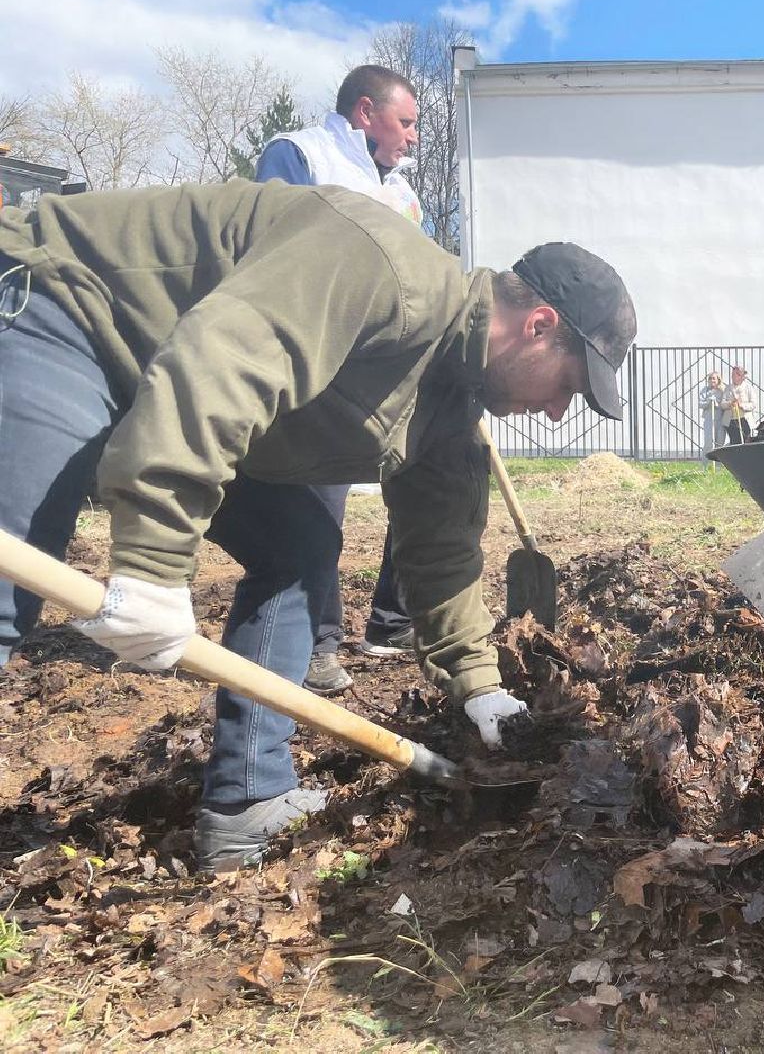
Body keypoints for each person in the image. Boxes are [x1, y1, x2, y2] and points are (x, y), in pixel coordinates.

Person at [0, 179, 637, 869]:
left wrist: (480, 685)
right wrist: (154, 561)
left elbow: (443, 552)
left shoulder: (452, 413)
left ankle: (247, 802)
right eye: (569, 386)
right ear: (539, 326)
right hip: (71, 311)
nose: (556, 414)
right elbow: (220, 363)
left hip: (168, 382)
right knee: (9, 582)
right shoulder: (379, 266)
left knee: (300, 548)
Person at [255, 64, 423, 695]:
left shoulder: (404, 192)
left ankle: (392, 620)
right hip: (321, 361)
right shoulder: (301, 154)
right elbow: (270, 249)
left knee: (420, 475)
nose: (411, 138)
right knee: (318, 507)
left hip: (387, 365)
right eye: (404, 123)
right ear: (364, 112)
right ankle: (317, 644)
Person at [723, 364, 756, 444]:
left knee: (745, 442)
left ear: (741, 376)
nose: (733, 377)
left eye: (735, 375)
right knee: (734, 442)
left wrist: (741, 404)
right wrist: (730, 403)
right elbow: (722, 404)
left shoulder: (749, 388)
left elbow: (753, 404)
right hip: (731, 421)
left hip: (744, 420)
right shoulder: (728, 388)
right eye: (732, 374)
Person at [698, 370, 726, 457]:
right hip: (709, 419)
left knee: (720, 442)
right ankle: (706, 464)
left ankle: (718, 464)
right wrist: (708, 402)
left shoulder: (723, 390)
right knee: (709, 442)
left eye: (713, 378)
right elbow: (700, 404)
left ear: (718, 380)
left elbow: (725, 404)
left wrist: (717, 403)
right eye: (710, 378)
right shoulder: (705, 390)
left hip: (720, 419)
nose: (711, 380)